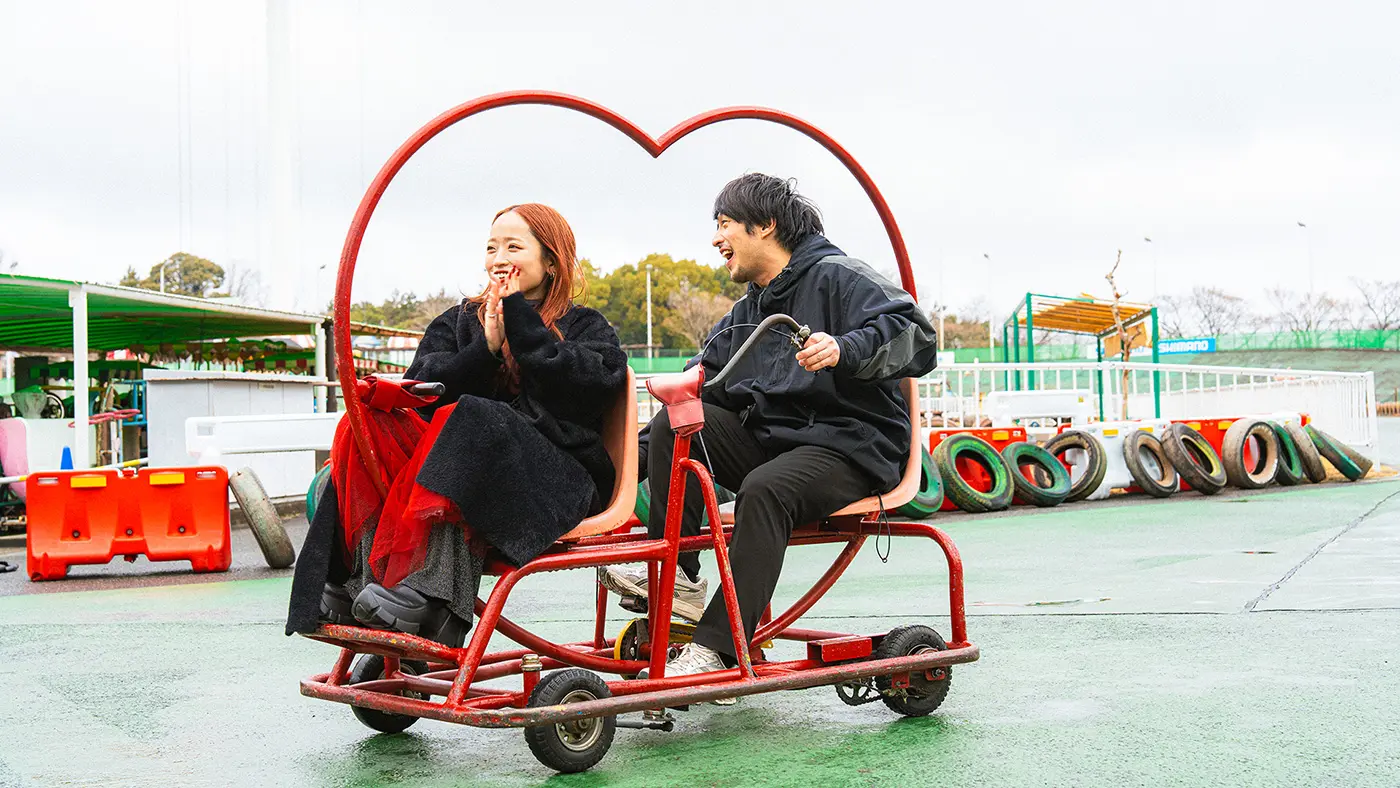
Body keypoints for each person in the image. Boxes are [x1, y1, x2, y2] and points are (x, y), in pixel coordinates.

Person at [601, 174, 938, 691]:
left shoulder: (839, 276)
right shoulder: (747, 311)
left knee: (766, 490)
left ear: (766, 225)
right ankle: (682, 577)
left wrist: (846, 349)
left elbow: (916, 336)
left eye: (725, 224)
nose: (716, 238)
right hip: (776, 444)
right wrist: (607, 472)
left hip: (851, 444)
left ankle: (718, 648)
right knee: (678, 418)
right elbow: (704, 385)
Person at [286, 203, 628, 647]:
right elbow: (422, 392)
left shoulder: (585, 326)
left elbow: (586, 387)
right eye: (491, 247)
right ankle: (362, 581)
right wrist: (484, 348)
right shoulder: (459, 321)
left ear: (550, 261)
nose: (498, 259)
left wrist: (519, 323)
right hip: (463, 459)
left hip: (554, 482)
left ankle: (435, 597)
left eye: (513, 246)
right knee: (365, 422)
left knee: (468, 419)